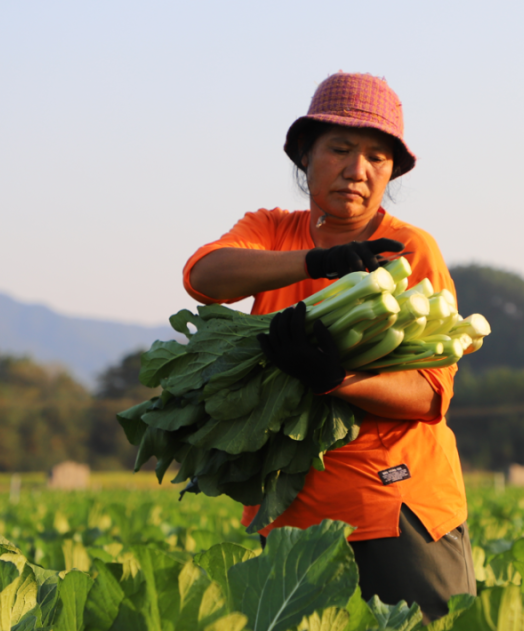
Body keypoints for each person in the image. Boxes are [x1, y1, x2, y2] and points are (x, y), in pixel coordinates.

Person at [183, 72, 475, 621]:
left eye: (377, 158)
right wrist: (316, 262)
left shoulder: (409, 250)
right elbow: (204, 276)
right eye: (339, 149)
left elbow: (430, 394)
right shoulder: (270, 230)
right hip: (291, 515)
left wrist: (336, 379)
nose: (357, 170)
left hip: (393, 505)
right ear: (304, 155)